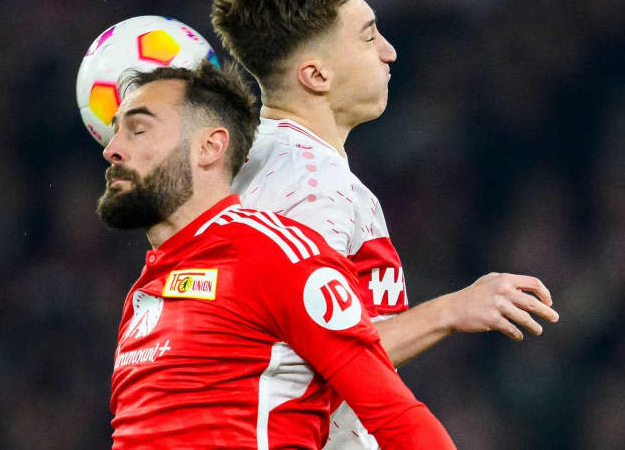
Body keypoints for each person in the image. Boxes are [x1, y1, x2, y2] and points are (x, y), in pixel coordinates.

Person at [210, 0, 560, 449]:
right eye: (369, 36)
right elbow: (305, 361)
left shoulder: (260, 162)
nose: (390, 52)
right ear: (316, 76)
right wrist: (453, 309)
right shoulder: (310, 183)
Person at [98, 61, 456, 449]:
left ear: (209, 147)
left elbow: (396, 415)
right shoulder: (143, 294)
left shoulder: (277, 256)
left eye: (137, 129)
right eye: (116, 132)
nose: (112, 149)